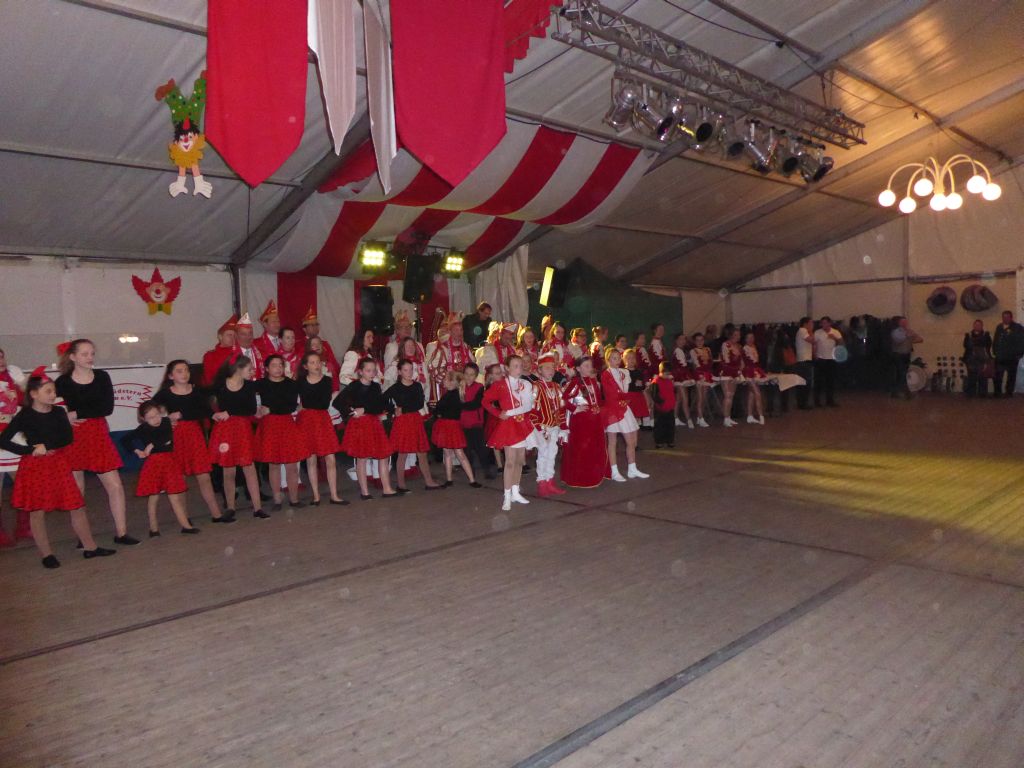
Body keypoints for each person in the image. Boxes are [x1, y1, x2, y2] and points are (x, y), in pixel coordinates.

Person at [0, 368, 116, 568]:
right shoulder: (25, 415)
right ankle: (47, 554)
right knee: (37, 510)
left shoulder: (58, 412)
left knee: (76, 505)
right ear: (34, 394)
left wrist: (48, 446)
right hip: (35, 466)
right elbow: (3, 439)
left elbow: (67, 438)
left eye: (54, 391)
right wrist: (29, 450)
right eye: (48, 391)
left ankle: (90, 546)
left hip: (58, 463)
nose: (53, 395)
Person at [55, 339, 137, 545]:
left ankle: (122, 533)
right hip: (73, 436)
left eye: (92, 353)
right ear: (72, 357)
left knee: (115, 485)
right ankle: (83, 538)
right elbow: (54, 408)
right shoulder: (63, 381)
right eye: (84, 354)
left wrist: (76, 413)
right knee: (77, 490)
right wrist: (65, 417)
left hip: (97, 434)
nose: (90, 357)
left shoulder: (101, 377)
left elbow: (107, 407)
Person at [153, 359, 230, 523]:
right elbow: (147, 413)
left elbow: (205, 411)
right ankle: (184, 518)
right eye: (179, 371)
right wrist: (166, 418)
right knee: (180, 478)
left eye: (187, 370)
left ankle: (216, 513)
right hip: (176, 436)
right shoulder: (165, 394)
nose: (185, 374)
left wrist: (215, 415)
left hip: (195, 435)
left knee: (204, 475)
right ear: (171, 376)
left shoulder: (196, 391)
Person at [120, 401, 198, 537]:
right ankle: (153, 528)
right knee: (153, 496)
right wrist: (137, 451)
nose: (156, 419)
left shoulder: (166, 422)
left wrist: (151, 445)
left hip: (168, 462)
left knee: (174, 495)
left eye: (157, 415)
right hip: (154, 464)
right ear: (143, 419)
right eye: (150, 418)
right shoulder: (143, 428)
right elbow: (125, 440)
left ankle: (186, 525)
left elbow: (167, 440)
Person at [210, 354, 267, 519]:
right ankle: (230, 507)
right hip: (226, 430)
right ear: (238, 369)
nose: (253, 371)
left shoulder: (249, 386)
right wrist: (212, 414)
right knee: (228, 469)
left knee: (249, 467)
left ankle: (257, 507)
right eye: (250, 369)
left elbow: (250, 409)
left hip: (242, 428)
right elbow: (203, 400)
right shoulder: (221, 385)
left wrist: (230, 412)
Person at [334, 357, 396, 500]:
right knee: (361, 457)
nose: (372, 373)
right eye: (368, 370)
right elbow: (338, 402)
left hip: (373, 423)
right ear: (360, 372)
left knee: (383, 455)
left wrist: (365, 409)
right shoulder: (354, 386)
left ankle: (387, 488)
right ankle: (365, 492)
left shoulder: (375, 387)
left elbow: (378, 405)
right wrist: (352, 412)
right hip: (360, 425)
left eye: (373, 370)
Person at [482, 355, 538, 511]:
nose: (519, 368)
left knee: (520, 461)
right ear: (507, 368)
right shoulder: (500, 385)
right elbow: (485, 401)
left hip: (523, 424)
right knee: (510, 462)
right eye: (515, 366)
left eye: (520, 365)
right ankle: (506, 496)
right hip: (509, 426)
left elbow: (528, 405)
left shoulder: (526, 384)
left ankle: (515, 492)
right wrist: (497, 413)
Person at [255, 355, 308, 510]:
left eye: (280, 365)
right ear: (266, 368)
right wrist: (257, 410)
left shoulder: (290, 384)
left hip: (286, 424)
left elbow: (291, 406)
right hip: (270, 426)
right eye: (274, 365)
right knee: (274, 464)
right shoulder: (261, 384)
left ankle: (294, 499)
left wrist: (271, 409)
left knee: (291, 464)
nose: (278, 368)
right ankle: (277, 499)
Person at [296, 351, 347, 506]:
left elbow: (323, 404)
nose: (316, 365)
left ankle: (334, 494)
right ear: (305, 366)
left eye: (318, 362)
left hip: (322, 420)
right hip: (307, 421)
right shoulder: (300, 381)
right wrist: (301, 406)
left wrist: (305, 405)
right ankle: (316, 495)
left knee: (330, 458)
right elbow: (298, 402)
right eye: (312, 362)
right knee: (311, 459)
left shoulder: (326, 380)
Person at [384, 359, 442, 492]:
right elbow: (382, 400)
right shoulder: (395, 387)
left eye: (411, 369)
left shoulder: (417, 386)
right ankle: (401, 484)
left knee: (421, 452)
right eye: (405, 370)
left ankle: (429, 481)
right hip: (403, 422)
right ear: (399, 372)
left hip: (415, 420)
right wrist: (393, 409)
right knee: (403, 453)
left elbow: (419, 403)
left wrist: (402, 409)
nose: (409, 373)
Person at [601, 348, 649, 482]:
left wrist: (627, 398)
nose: (617, 361)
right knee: (612, 441)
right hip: (613, 410)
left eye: (618, 358)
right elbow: (612, 393)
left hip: (624, 408)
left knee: (631, 439)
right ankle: (614, 471)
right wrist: (625, 398)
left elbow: (628, 389)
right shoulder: (606, 374)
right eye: (614, 358)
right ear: (608, 360)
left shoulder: (624, 372)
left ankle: (632, 469)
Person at [432, 371, 481, 488]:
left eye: (445, 379)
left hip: (450, 426)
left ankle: (470, 479)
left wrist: (436, 409)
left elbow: (441, 410)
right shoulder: (452, 394)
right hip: (448, 425)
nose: (443, 381)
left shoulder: (453, 395)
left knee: (457, 453)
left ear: (452, 382)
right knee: (451, 453)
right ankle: (457, 479)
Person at [0, 347, 28, 546]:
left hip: (15, 435)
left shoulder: (15, 374)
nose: (1, 361)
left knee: (23, 484)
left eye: (2, 357)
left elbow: (26, 400)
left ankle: (24, 526)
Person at [531, 353, 566, 498]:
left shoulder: (557, 387)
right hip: (543, 427)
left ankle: (550, 481)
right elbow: (532, 408)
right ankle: (542, 482)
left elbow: (561, 407)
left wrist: (563, 426)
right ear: (539, 370)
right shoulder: (537, 387)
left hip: (555, 426)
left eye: (552, 367)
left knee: (552, 453)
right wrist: (538, 427)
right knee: (543, 454)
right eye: (546, 368)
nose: (550, 370)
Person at [991, 310, 1024, 397]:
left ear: (1011, 318)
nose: (1005, 319)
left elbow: (1022, 341)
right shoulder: (999, 327)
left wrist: (1019, 354)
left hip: (1012, 357)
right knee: (997, 376)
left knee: (1011, 376)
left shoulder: (1017, 328)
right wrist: (994, 351)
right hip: (1000, 356)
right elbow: (995, 340)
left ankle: (1009, 393)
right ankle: (997, 392)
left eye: (1007, 317)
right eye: (1004, 317)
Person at [813, 316, 843, 408]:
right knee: (818, 381)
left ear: (830, 323)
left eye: (825, 323)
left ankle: (830, 400)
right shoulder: (817, 332)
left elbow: (842, 343)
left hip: (831, 359)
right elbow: (814, 344)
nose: (824, 325)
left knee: (830, 381)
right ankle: (817, 401)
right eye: (822, 323)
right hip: (820, 358)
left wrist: (835, 338)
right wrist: (814, 355)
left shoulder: (835, 332)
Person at [889, 316, 923, 399]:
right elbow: (898, 340)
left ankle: (900, 392)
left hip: (906, 354)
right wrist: (907, 336)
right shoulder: (895, 332)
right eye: (903, 322)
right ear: (899, 323)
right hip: (898, 355)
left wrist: (911, 339)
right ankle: (902, 392)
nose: (905, 323)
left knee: (904, 373)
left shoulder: (909, 331)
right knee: (901, 373)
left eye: (905, 322)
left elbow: (920, 339)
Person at [300, 307, 340, 374]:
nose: (315, 327)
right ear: (304, 329)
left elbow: (334, 363)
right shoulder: (299, 345)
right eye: (312, 325)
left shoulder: (325, 344)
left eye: (316, 325)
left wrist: (333, 368)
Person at [202, 314, 238, 387]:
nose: (233, 338)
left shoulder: (240, 353)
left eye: (234, 335)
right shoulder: (210, 356)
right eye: (229, 335)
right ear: (220, 337)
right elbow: (209, 380)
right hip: (219, 389)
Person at [718, 328, 744, 427]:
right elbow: (726, 360)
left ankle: (728, 417)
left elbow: (741, 361)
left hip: (735, 372)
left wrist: (740, 370)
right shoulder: (725, 345)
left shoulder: (739, 346)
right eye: (736, 334)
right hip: (726, 372)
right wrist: (734, 371)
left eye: (739, 334)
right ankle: (725, 418)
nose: (738, 336)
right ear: (731, 335)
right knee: (727, 395)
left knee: (731, 396)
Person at [689, 333, 715, 428]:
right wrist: (701, 374)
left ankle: (700, 417)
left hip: (707, 374)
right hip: (699, 374)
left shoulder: (708, 349)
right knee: (700, 397)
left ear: (704, 340)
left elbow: (711, 361)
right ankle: (700, 418)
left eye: (701, 340)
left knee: (704, 397)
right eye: (697, 340)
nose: (700, 342)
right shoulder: (693, 351)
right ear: (694, 341)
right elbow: (696, 364)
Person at [741, 331, 768, 425]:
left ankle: (750, 416)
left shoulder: (754, 347)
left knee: (752, 393)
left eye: (752, 337)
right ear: (745, 339)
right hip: (748, 371)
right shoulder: (744, 348)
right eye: (748, 338)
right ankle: (761, 415)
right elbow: (743, 362)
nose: (750, 339)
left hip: (755, 371)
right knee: (757, 393)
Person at [669, 332, 694, 429]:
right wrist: (687, 377)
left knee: (678, 399)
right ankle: (689, 419)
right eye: (681, 339)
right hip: (680, 377)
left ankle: (675, 418)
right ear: (676, 340)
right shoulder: (678, 350)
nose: (683, 341)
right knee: (685, 399)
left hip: (680, 376)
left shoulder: (680, 350)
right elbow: (682, 366)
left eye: (684, 339)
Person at [962, 319, 993, 398]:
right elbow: (965, 345)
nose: (977, 326)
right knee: (971, 376)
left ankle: (982, 394)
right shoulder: (968, 335)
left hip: (983, 359)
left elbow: (988, 345)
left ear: (982, 326)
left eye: (979, 325)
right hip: (971, 359)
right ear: (973, 326)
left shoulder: (986, 335)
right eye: (976, 325)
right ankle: (971, 393)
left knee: (983, 377)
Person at [623, 348, 652, 429]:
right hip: (629, 395)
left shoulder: (639, 371)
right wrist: (633, 383)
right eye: (629, 358)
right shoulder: (623, 372)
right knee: (632, 412)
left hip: (638, 394)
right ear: (624, 360)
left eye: (633, 358)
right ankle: (632, 425)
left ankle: (642, 424)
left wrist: (643, 385)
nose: (631, 360)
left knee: (640, 410)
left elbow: (642, 384)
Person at [649, 362, 676, 449]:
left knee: (670, 425)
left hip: (670, 407)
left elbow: (672, 392)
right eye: (666, 374)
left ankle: (670, 440)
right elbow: (654, 395)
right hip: (660, 408)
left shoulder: (669, 380)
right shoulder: (656, 382)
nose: (667, 376)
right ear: (661, 372)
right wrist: (661, 403)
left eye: (669, 374)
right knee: (659, 425)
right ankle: (659, 441)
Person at [233, 313, 266, 380]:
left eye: (250, 333)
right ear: (236, 335)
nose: (248, 337)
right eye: (243, 334)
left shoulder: (262, 353)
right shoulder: (230, 355)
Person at [794, 316, 815, 410]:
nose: (812, 325)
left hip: (804, 360)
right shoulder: (803, 330)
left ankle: (802, 402)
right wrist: (811, 332)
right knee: (805, 382)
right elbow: (812, 340)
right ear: (805, 324)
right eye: (811, 323)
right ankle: (803, 403)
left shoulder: (802, 331)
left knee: (803, 382)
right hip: (803, 360)